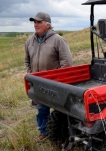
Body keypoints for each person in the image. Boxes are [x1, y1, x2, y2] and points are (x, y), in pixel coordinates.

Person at [25, 12, 73, 141]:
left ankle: (64, 133)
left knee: (62, 111)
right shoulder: (30, 41)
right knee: (41, 110)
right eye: (34, 22)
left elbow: (66, 63)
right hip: (38, 83)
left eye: (39, 22)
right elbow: (27, 61)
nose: (36, 25)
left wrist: (58, 81)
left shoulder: (58, 40)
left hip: (55, 84)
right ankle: (44, 132)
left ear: (48, 24)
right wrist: (32, 76)